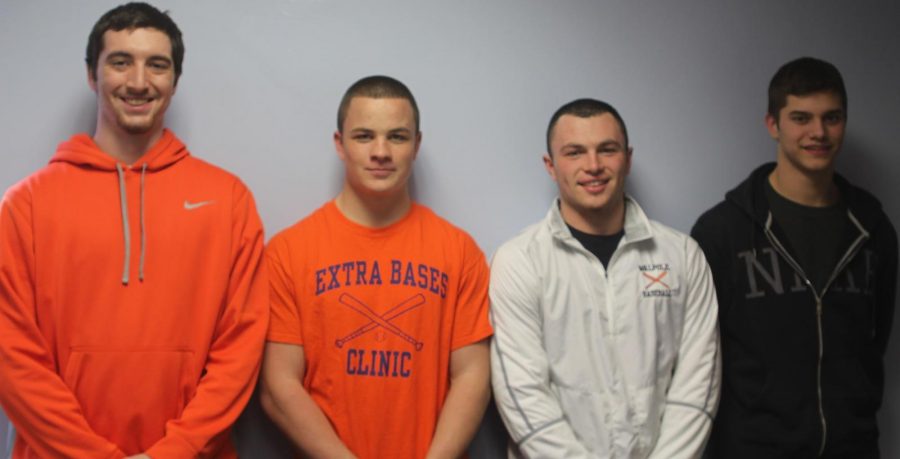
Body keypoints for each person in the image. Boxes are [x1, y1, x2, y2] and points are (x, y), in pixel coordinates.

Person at [0, 3, 269, 457]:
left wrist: (173, 451)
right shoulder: (25, 204)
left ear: (175, 80)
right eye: (120, 62)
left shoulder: (228, 201)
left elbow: (240, 350)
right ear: (92, 74)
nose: (139, 82)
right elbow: (11, 356)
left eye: (157, 65)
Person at [260, 75, 492, 458]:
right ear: (340, 144)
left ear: (416, 146)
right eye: (364, 136)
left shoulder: (458, 251)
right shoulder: (288, 252)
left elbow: (472, 377)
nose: (380, 151)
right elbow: (279, 387)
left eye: (397, 137)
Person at [490, 98, 720, 458]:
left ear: (627, 158)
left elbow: (697, 384)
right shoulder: (519, 261)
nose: (593, 166)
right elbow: (521, 394)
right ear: (550, 166)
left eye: (607, 150)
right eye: (575, 152)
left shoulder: (682, 256)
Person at [692, 57, 898, 458]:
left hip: (852, 447)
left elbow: (877, 338)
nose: (818, 132)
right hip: (751, 449)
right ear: (773, 124)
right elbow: (700, 359)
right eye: (801, 118)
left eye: (831, 118)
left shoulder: (873, 229)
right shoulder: (721, 232)